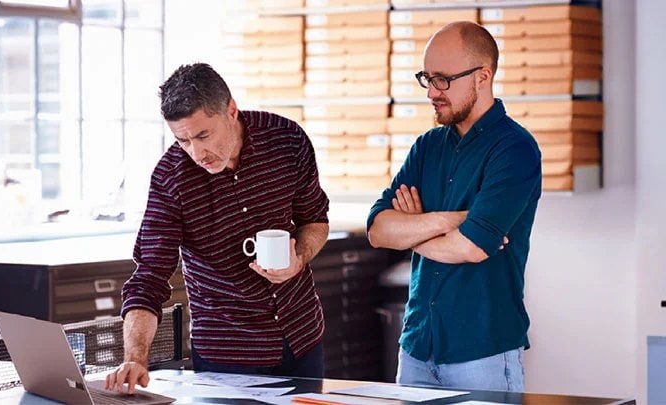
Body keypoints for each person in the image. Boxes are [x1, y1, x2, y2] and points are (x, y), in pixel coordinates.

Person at [105, 63, 330, 393]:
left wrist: (300, 256)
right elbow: (149, 277)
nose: (197, 153)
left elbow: (315, 220)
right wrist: (136, 357)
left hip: (302, 338)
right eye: (182, 140)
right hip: (226, 356)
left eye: (202, 135)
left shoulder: (286, 139)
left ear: (231, 111)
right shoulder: (172, 179)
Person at [367, 21, 542, 392]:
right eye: (426, 78)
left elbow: (470, 247)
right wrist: (451, 220)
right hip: (415, 348)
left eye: (443, 79)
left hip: (483, 354)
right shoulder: (427, 147)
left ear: (483, 76)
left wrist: (412, 229)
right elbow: (379, 230)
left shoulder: (515, 150)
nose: (431, 91)